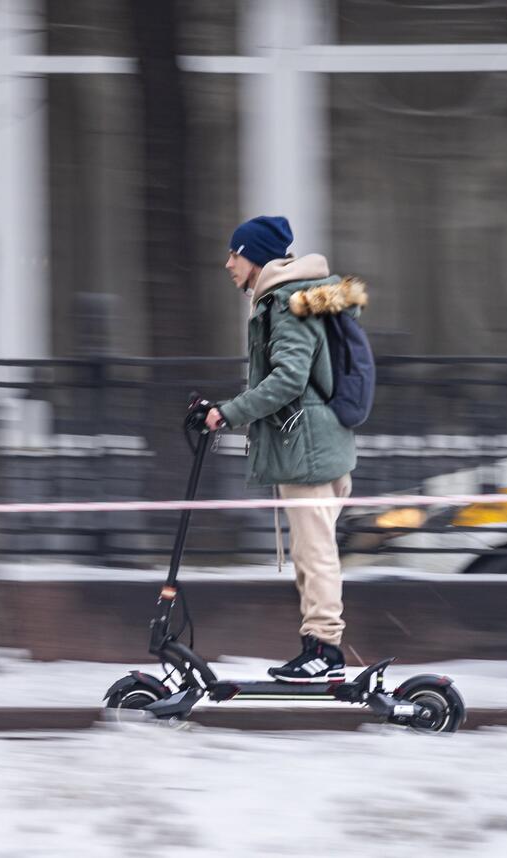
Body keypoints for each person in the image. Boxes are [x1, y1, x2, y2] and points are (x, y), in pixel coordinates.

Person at [206, 215, 366, 683]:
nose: (228, 263)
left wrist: (228, 413)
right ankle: (317, 647)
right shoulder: (301, 298)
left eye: (234, 253)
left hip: (308, 448)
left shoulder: (284, 302)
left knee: (314, 553)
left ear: (255, 256)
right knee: (311, 552)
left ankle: (325, 652)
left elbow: (289, 379)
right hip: (319, 441)